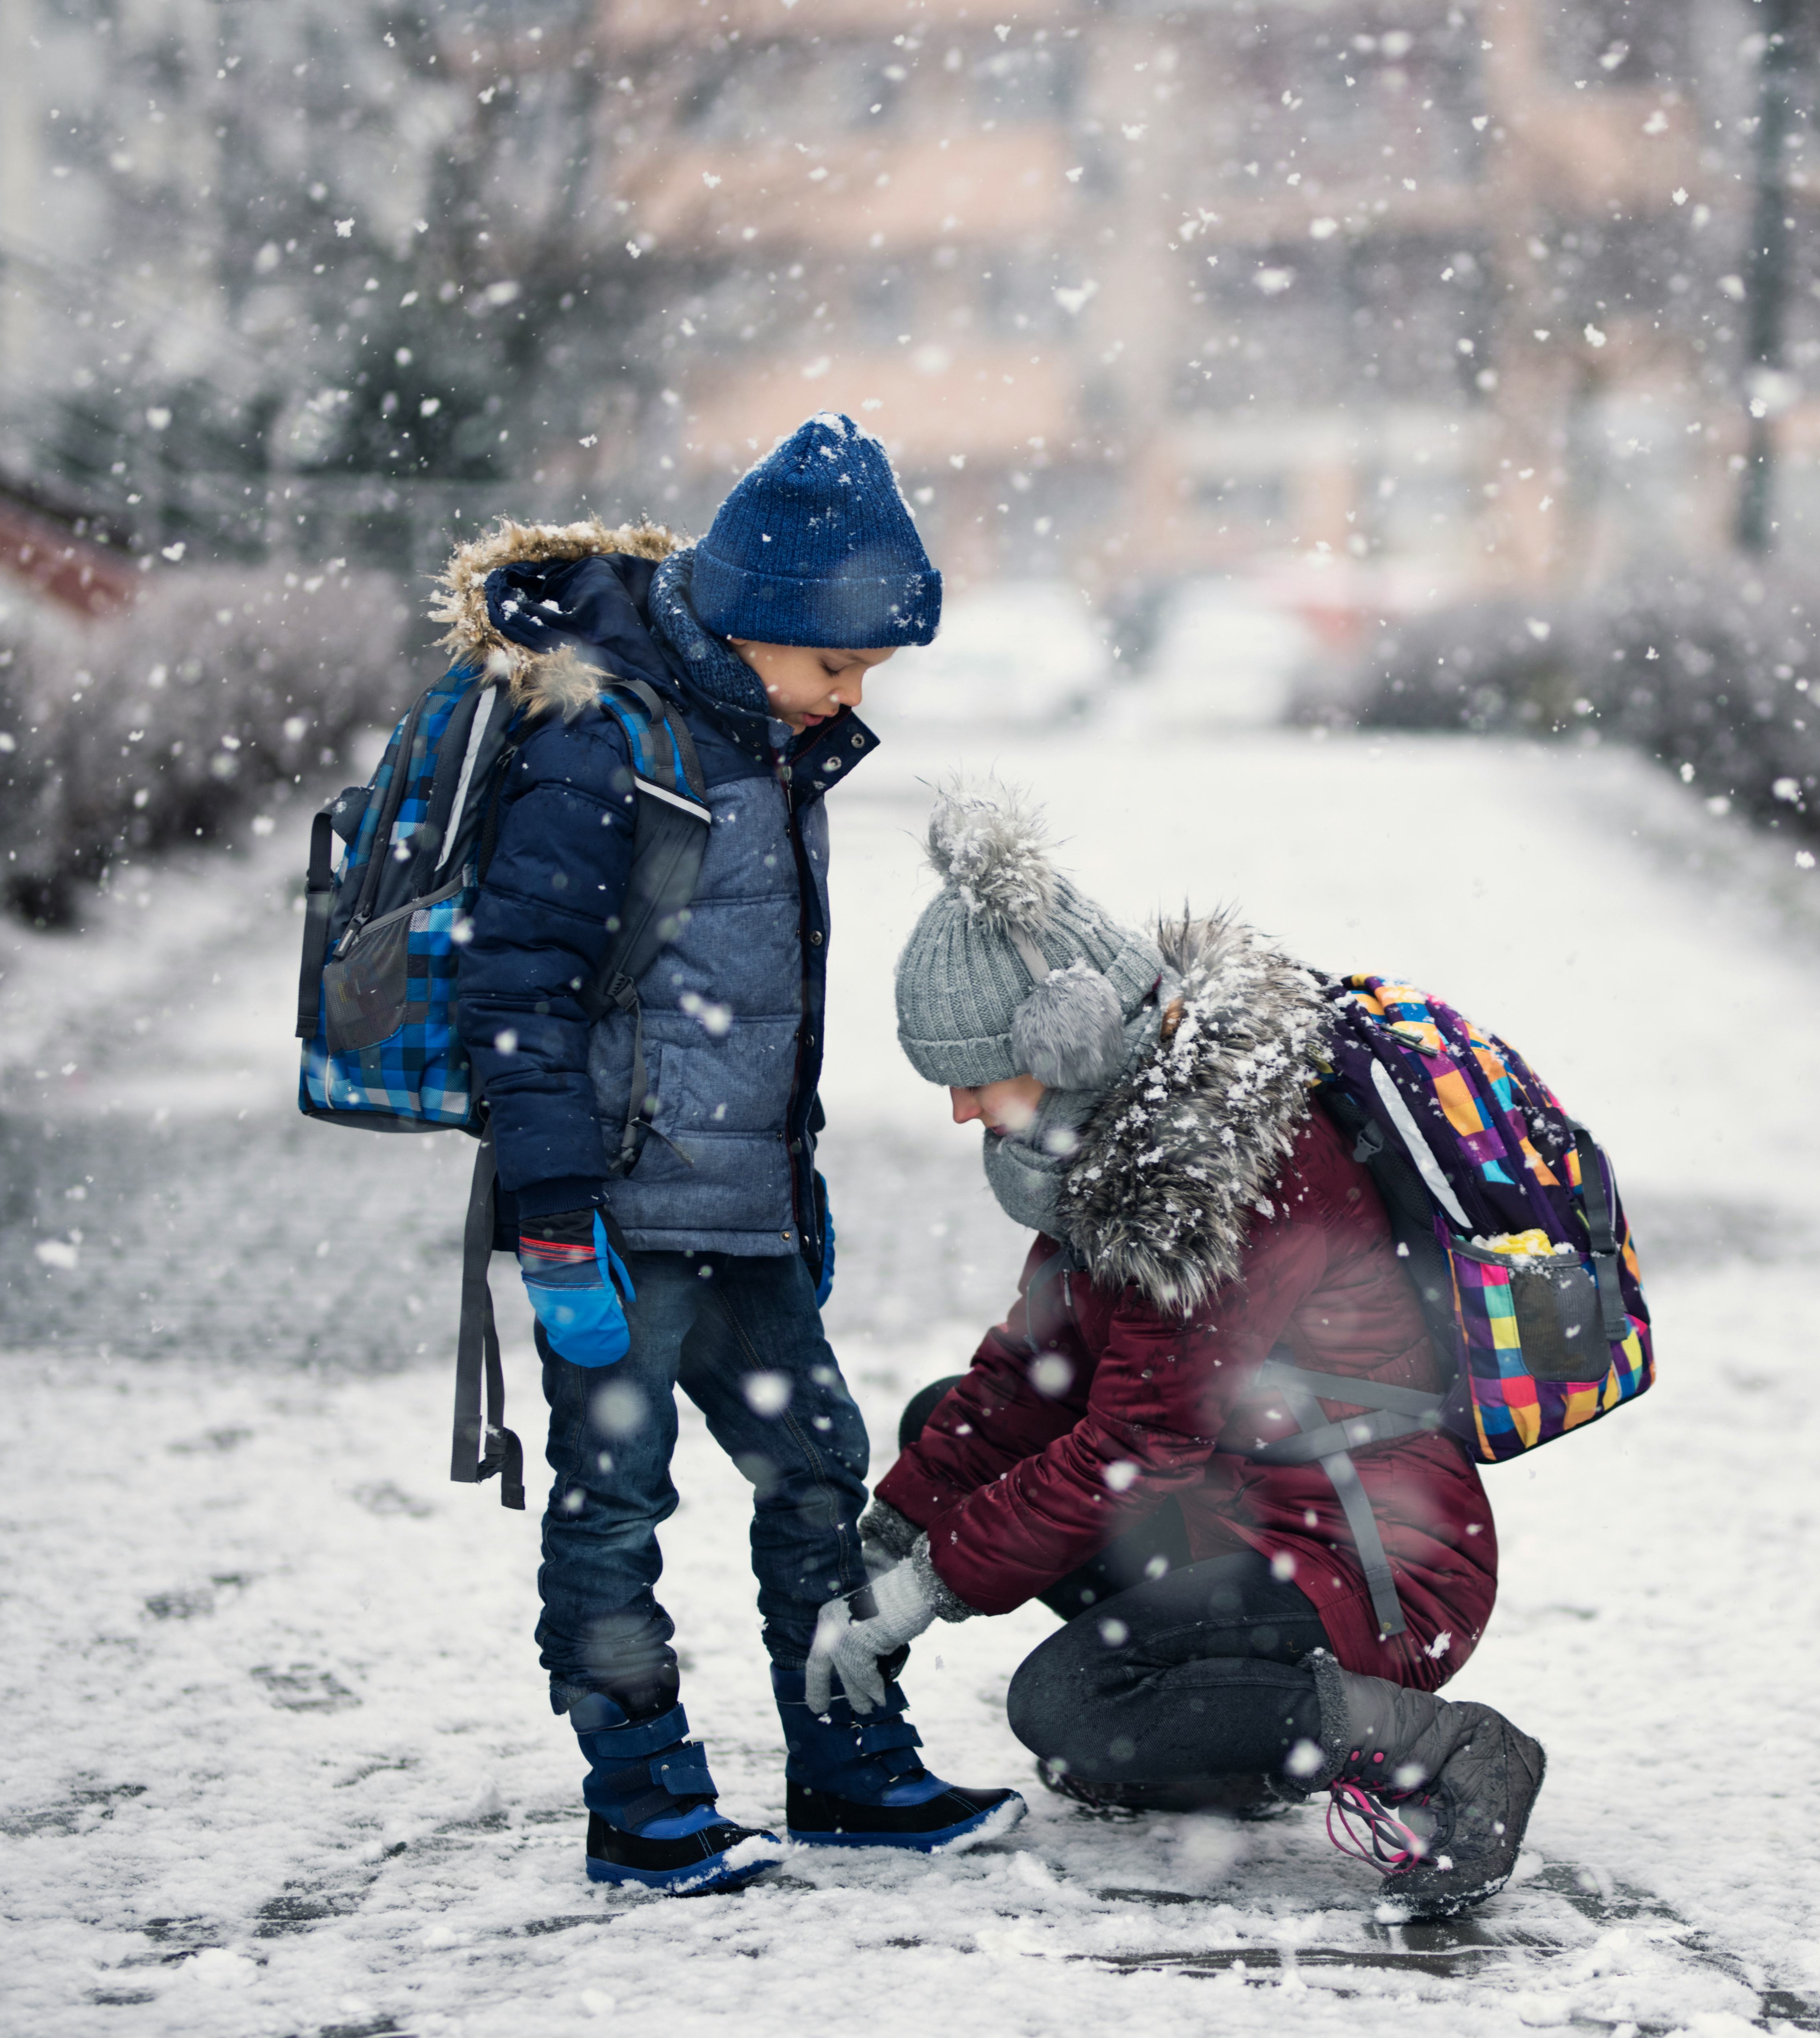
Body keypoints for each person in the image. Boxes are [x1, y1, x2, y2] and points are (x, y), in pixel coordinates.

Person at [801, 783, 1549, 1919]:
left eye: (972, 1077)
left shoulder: (1225, 1175)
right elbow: (1028, 1375)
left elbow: (1134, 1447)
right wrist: (895, 1529)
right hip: (1245, 1504)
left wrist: (930, 1588)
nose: (960, 1112)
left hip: (1372, 1554)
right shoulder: (1116, 1136)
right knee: (949, 1420)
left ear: (1065, 1038)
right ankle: (1233, 1733)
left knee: (1075, 1708)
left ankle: (1448, 1748)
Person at [452, 414, 1022, 1895]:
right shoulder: (604, 743)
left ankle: (849, 1766)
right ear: (753, 621)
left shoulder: (766, 745)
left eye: (865, 677)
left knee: (822, 1475)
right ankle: (641, 1800)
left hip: (745, 1212)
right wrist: (560, 1219)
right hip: (619, 1216)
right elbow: (517, 993)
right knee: (614, 1505)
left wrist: (794, 1180)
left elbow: (759, 1003)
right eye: (834, 665)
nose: (849, 699)